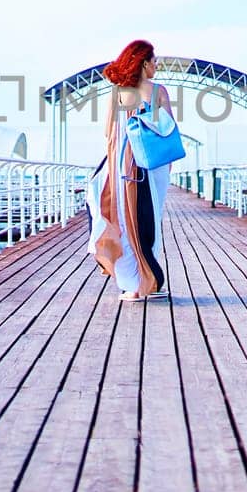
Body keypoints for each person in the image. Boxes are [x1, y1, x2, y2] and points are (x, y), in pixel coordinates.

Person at [87, 39, 173, 301]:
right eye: (155, 61)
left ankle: (132, 285)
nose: (157, 66)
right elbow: (168, 132)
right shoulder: (158, 91)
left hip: (123, 166)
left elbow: (107, 133)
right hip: (153, 167)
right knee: (149, 221)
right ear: (145, 63)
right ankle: (148, 281)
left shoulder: (118, 93)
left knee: (124, 222)